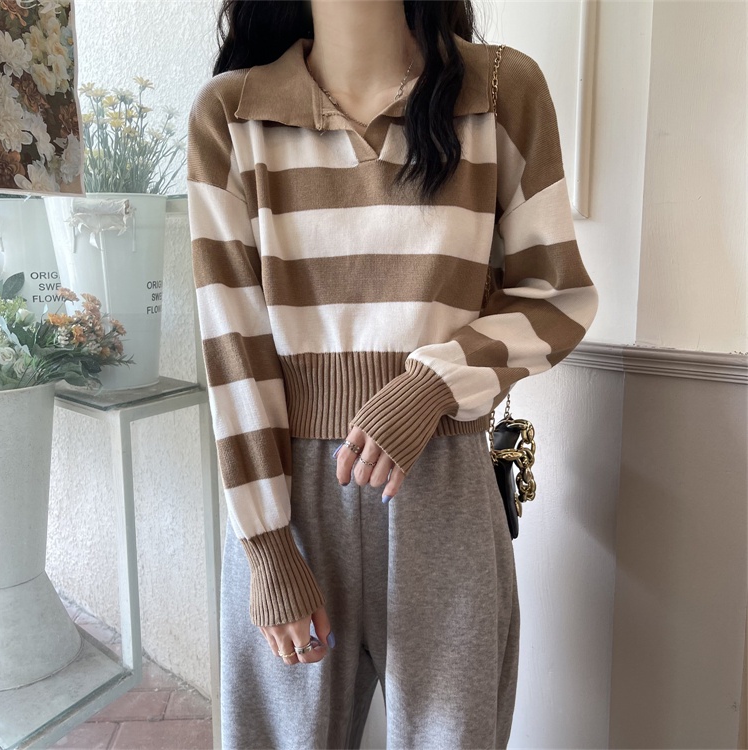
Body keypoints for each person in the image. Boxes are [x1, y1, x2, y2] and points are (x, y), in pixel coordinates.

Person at [186, 0, 599, 747]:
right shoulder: (233, 113)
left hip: (444, 488)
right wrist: (268, 546)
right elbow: (233, 347)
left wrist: (431, 384)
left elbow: (557, 297)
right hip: (289, 498)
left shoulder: (498, 91)